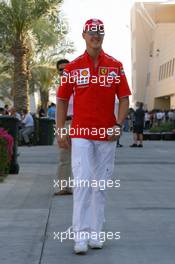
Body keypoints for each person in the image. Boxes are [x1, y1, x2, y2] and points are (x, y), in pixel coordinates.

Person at [56, 18, 131, 254]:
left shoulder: (115, 66)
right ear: (84, 35)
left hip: (107, 134)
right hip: (81, 133)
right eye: (91, 32)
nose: (95, 36)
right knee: (83, 182)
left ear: (103, 36)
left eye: (99, 32)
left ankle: (96, 233)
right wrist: (60, 130)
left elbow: (125, 99)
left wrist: (118, 125)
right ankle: (80, 236)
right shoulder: (73, 67)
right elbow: (61, 100)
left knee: (100, 185)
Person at [55, 59, 73, 195]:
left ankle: (85, 186)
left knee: (82, 156)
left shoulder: (78, 84)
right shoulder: (59, 87)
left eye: (66, 68)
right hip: (64, 123)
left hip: (78, 122)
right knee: (64, 156)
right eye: (61, 69)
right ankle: (64, 187)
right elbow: (58, 110)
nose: (63, 71)